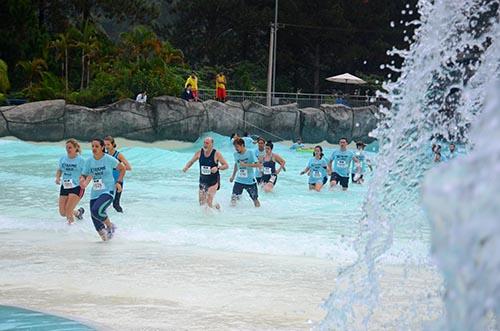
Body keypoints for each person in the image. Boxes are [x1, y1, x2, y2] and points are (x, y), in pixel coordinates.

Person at [80, 138, 126, 241]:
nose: (94, 148)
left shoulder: (108, 159)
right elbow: (84, 174)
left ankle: (110, 226)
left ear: (102, 147)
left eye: (96, 146)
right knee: (94, 216)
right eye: (92, 146)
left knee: (96, 210)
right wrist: (82, 181)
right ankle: (106, 242)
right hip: (95, 192)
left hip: (108, 190)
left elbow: (122, 168)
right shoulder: (89, 161)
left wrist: (118, 182)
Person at [182, 137, 229, 209]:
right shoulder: (199, 152)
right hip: (203, 181)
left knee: (208, 201)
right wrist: (186, 167)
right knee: (201, 203)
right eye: (204, 143)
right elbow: (191, 161)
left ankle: (210, 218)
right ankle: (215, 207)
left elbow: (226, 165)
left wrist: (217, 168)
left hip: (213, 181)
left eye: (207, 143)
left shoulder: (216, 154)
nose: (205, 145)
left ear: (212, 144)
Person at [55, 139, 86, 224]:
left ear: (76, 148)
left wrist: (84, 181)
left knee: (68, 211)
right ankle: (78, 213)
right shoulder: (63, 158)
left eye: (70, 147)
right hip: (65, 186)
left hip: (77, 187)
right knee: (62, 212)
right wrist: (57, 178)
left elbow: (87, 173)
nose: (68, 149)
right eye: (67, 148)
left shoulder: (81, 160)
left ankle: (71, 232)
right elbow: (60, 170)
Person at [229, 137, 261, 207]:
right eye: (235, 147)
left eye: (237, 147)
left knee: (255, 199)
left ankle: (259, 214)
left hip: (250, 181)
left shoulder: (250, 152)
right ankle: (232, 214)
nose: (236, 149)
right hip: (239, 180)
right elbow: (236, 164)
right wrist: (233, 176)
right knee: (233, 199)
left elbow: (258, 164)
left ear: (242, 145)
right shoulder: (235, 154)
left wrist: (246, 165)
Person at [104, 136, 132, 213]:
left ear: (113, 145)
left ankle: (124, 219)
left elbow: (129, 167)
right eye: (105, 145)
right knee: (104, 202)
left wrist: (118, 168)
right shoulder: (104, 155)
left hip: (118, 181)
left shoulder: (118, 155)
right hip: (107, 182)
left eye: (108, 145)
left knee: (115, 204)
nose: (106, 147)